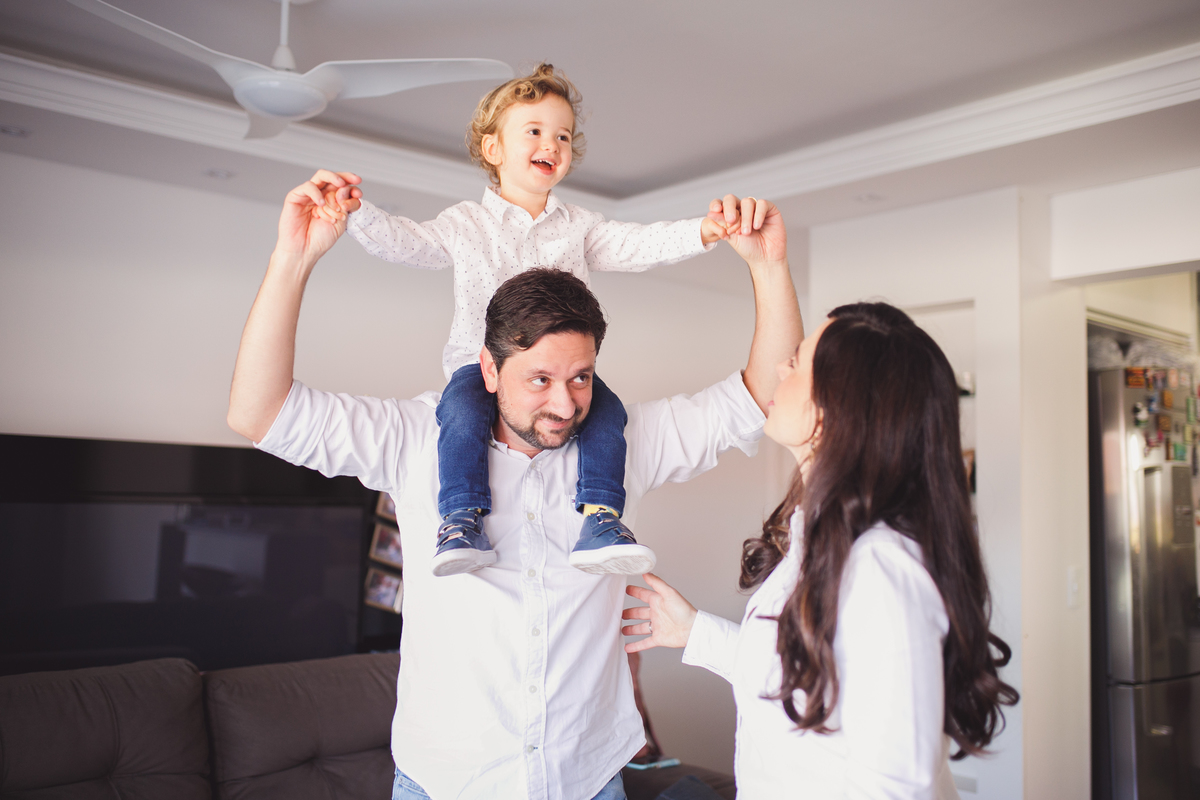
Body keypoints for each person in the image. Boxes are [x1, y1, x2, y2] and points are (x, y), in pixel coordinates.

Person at [226, 171, 802, 800]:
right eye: (540, 380)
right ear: (490, 369)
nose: (565, 403)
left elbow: (762, 396)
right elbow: (260, 413)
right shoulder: (417, 439)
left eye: (581, 378)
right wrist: (294, 259)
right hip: (448, 779)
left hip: (589, 775)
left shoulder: (623, 443)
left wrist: (769, 266)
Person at [315, 63, 739, 580]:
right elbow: (409, 244)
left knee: (607, 414)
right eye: (534, 131)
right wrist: (357, 212)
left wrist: (704, 230)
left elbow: (637, 244)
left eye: (562, 135)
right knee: (460, 413)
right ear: (493, 150)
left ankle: (602, 519)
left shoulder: (579, 226)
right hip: (482, 364)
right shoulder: (466, 224)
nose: (552, 144)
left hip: (559, 366)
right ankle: (461, 519)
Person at [623, 303, 1019, 799]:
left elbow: (897, 787)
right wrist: (695, 632)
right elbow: (808, 678)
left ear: (835, 409)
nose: (780, 370)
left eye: (797, 362)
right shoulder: (823, 543)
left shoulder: (880, 568)